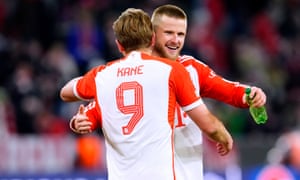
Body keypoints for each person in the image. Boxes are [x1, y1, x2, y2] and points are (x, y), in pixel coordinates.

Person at [69, 4, 267, 180]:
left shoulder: (191, 68)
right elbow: (101, 107)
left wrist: (251, 94)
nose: (176, 40)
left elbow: (228, 90)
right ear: (152, 36)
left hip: (188, 171)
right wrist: (83, 119)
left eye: (181, 34)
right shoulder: (135, 72)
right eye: (169, 33)